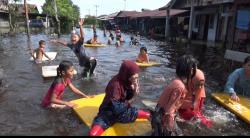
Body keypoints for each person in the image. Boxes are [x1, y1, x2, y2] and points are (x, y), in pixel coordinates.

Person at [89, 60, 151, 136]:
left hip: (123, 111)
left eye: (137, 76)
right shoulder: (115, 85)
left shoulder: (127, 81)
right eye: (134, 76)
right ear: (127, 73)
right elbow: (117, 108)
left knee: (149, 115)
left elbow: (127, 98)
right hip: (108, 113)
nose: (136, 78)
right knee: (93, 134)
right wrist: (133, 98)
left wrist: (133, 90)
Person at [151, 55, 197, 136]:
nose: (193, 69)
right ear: (188, 70)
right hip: (161, 120)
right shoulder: (180, 87)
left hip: (157, 116)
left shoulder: (176, 81)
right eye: (192, 67)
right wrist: (171, 127)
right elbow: (169, 110)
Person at [178, 61, 213, 128]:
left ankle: (206, 123)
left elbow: (198, 94)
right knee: (182, 110)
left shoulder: (199, 76)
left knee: (194, 114)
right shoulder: (185, 73)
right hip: (190, 93)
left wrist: (193, 106)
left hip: (197, 96)